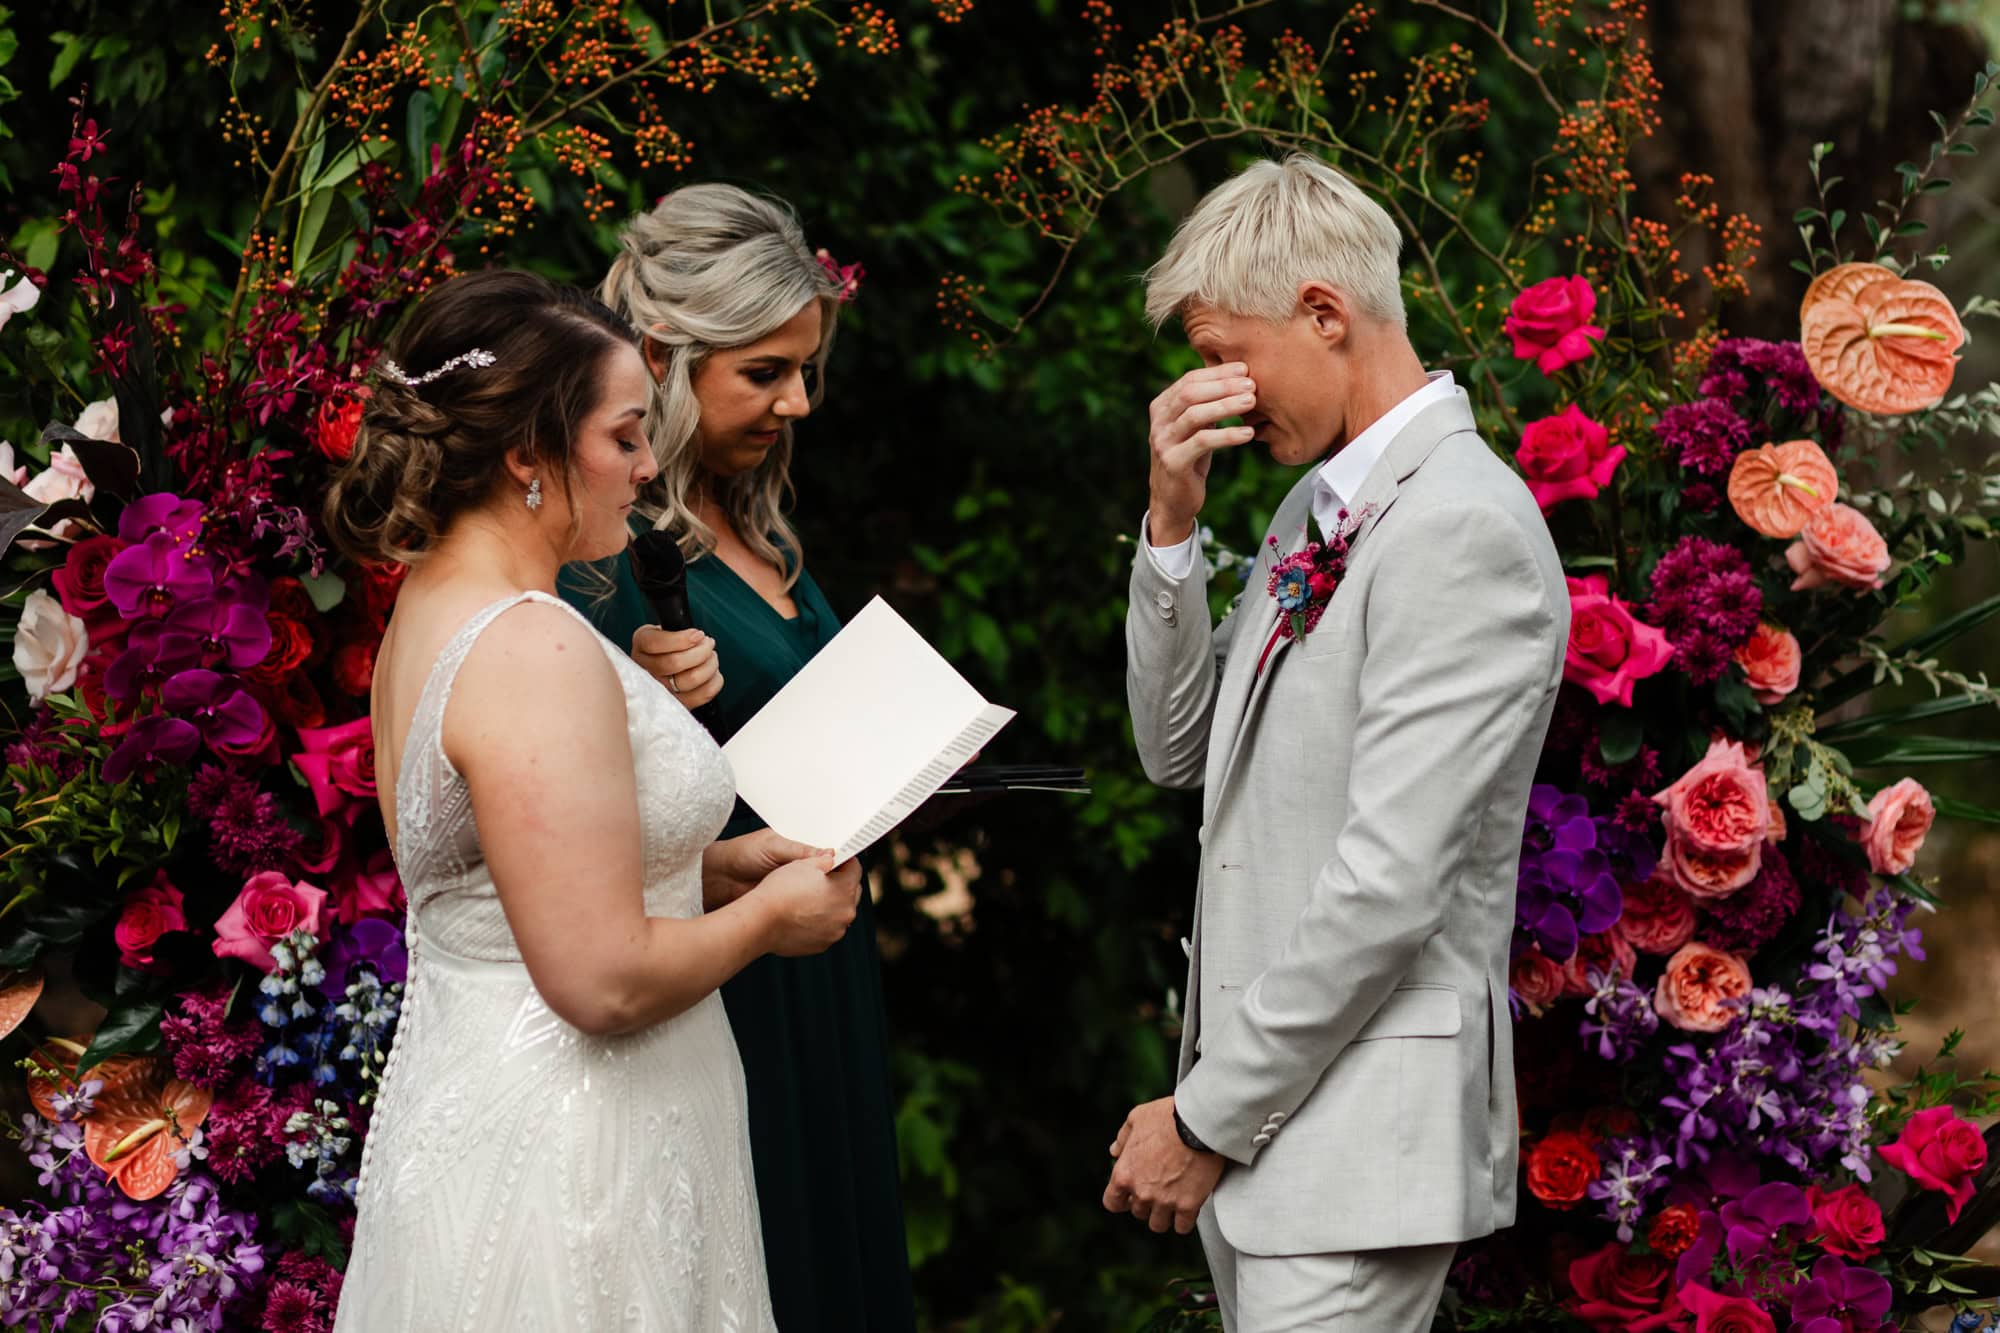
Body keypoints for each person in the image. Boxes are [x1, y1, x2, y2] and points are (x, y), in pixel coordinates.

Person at [326, 268, 861, 1330]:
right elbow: (601, 978)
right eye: (623, 436)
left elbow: (501, 877)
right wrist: (768, 920)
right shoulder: (532, 644)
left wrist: (705, 869)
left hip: (496, 1110)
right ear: (529, 451)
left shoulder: (436, 606)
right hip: (579, 1148)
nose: (647, 464)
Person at [1107, 155, 1569, 1331]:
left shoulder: (1458, 526)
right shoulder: (1305, 509)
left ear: (1323, 313)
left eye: (1225, 354)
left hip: (1354, 1145)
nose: (1216, 388)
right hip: (1285, 1142)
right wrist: (1170, 519)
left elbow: (1387, 884)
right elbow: (1176, 751)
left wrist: (1206, 1113)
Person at [559, 184, 917, 1331]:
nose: (797, 401)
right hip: (719, 975)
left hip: (818, 958)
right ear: (663, 358)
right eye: (763, 372)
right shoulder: (607, 559)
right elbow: (568, 804)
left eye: (803, 368)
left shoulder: (754, 527)